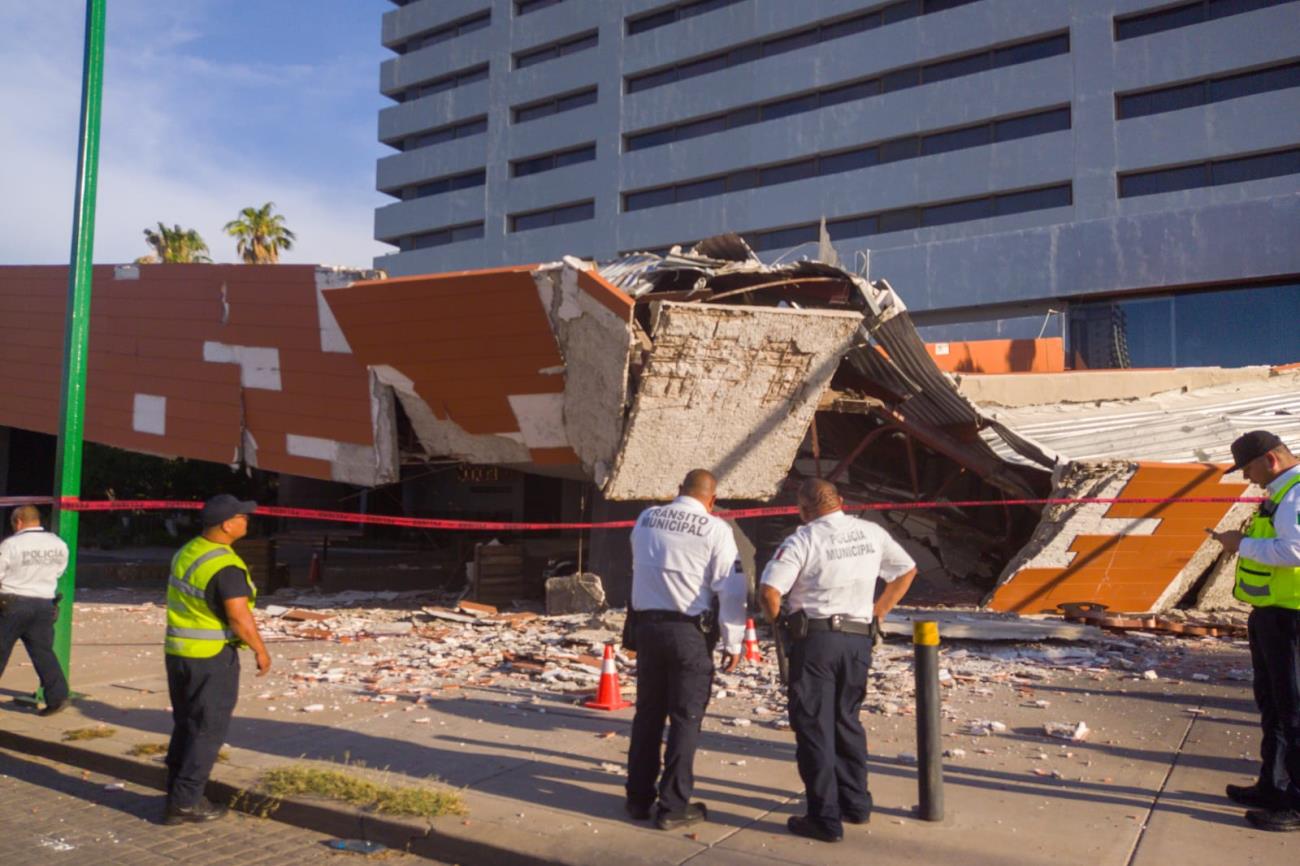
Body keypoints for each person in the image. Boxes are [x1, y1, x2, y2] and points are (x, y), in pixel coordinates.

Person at [759, 478, 917, 843]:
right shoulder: (870, 532)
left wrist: (778, 622)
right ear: (841, 502)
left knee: (814, 727)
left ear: (803, 510)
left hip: (816, 641)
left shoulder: (802, 539)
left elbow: (770, 591)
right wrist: (878, 613)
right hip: (857, 641)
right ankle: (856, 803)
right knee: (847, 720)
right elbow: (906, 570)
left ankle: (824, 818)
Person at [625, 469, 746, 831]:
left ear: (679, 490)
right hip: (689, 633)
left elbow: (638, 564)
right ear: (711, 499)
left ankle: (638, 798)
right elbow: (732, 588)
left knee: (647, 714)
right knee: (685, 718)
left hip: (647, 628)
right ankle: (673, 805)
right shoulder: (715, 529)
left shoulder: (647, 518)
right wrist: (733, 639)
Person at [1209, 430, 1300, 832]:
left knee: (1294, 711)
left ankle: (1296, 802)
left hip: (1292, 617)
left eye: (1247, 468)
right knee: (1274, 705)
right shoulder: (1281, 492)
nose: (1247, 478)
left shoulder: (1295, 493)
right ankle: (1273, 785)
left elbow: (1294, 551)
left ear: (1270, 460)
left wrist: (1240, 543)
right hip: (1271, 613)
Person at [162, 494, 271, 825]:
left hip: (178, 652)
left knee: (186, 725)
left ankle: (176, 790)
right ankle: (185, 802)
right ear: (227, 525)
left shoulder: (189, 551)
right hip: (211, 658)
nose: (247, 521)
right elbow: (239, 618)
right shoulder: (226, 566)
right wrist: (260, 650)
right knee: (208, 730)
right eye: (243, 517)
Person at [0, 506, 71, 716]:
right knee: (43, 653)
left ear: (18, 522)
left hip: (13, 604)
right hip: (44, 604)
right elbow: (59, 570)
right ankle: (57, 697)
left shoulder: (10, 544)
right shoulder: (58, 543)